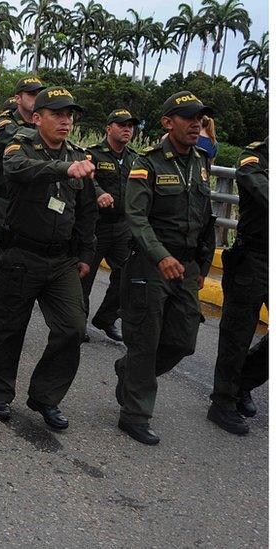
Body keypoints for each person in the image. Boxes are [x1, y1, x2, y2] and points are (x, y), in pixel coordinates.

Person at [0, 86, 98, 431]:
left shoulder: (79, 155)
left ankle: (46, 397)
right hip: (21, 252)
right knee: (8, 328)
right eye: (57, 114)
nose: (66, 121)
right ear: (37, 118)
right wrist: (63, 169)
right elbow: (17, 170)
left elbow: (87, 211)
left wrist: (85, 253)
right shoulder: (21, 146)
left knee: (72, 328)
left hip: (61, 259)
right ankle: (1, 393)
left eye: (70, 115)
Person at [115, 91, 216, 445]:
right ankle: (135, 414)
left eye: (200, 119)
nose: (196, 124)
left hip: (186, 266)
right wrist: (160, 255)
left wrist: (203, 262)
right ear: (167, 122)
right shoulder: (149, 163)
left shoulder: (202, 162)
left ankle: (128, 374)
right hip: (152, 262)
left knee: (183, 340)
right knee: (146, 339)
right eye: (188, 117)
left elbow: (207, 219)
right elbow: (137, 217)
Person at [0, 77, 46, 339]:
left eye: (39, 94)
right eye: (30, 94)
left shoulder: (43, 123)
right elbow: (5, 138)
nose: (35, 98)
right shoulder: (5, 121)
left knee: (20, 267)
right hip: (3, 202)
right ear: (18, 98)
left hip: (30, 205)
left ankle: (9, 322)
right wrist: (45, 135)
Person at [208, 138, 268, 434]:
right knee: (238, 332)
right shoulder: (253, 158)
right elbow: (261, 192)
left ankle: (244, 380)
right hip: (254, 258)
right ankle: (222, 402)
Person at [81, 109, 139, 342]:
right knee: (84, 277)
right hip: (96, 225)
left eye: (131, 126)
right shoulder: (93, 154)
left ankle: (106, 317)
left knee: (128, 275)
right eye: (122, 124)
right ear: (108, 128)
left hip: (123, 226)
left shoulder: (135, 158)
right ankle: (77, 323)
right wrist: (99, 193)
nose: (127, 129)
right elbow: (86, 178)